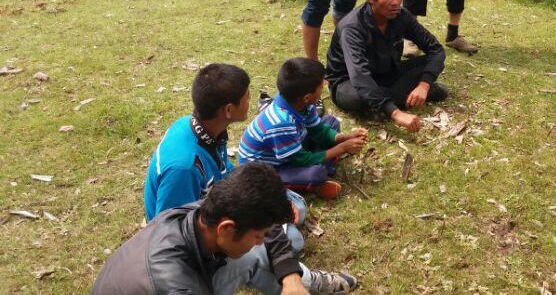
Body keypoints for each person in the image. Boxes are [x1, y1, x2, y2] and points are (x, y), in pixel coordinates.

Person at [93, 163, 357, 295]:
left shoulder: (206, 210)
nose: (260, 241)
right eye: (257, 236)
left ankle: (304, 284)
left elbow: (269, 226)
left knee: (251, 257)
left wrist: (290, 276)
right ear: (227, 229)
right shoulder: (177, 286)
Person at [143, 64, 309, 253]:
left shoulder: (204, 128)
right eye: (246, 95)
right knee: (293, 240)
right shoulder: (183, 168)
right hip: (202, 230)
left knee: (294, 206)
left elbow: (227, 174)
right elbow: (169, 233)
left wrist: (272, 201)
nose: (250, 99)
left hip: (217, 201)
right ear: (228, 110)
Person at [326, 0, 447, 133]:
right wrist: (396, 113)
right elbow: (359, 76)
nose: (395, 2)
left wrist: (424, 85)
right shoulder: (352, 27)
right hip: (349, 82)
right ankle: (398, 99)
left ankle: (385, 101)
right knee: (355, 97)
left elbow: (436, 49)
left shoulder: (401, 16)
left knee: (430, 61)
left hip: (386, 73)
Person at [239, 57, 368, 198]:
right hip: (266, 171)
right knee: (316, 173)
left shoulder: (301, 103)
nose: (325, 86)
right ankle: (315, 180)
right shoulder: (280, 123)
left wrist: (345, 138)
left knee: (331, 122)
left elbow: (319, 131)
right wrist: (342, 148)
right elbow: (301, 160)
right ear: (307, 97)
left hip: (290, 151)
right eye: (321, 86)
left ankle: (319, 170)